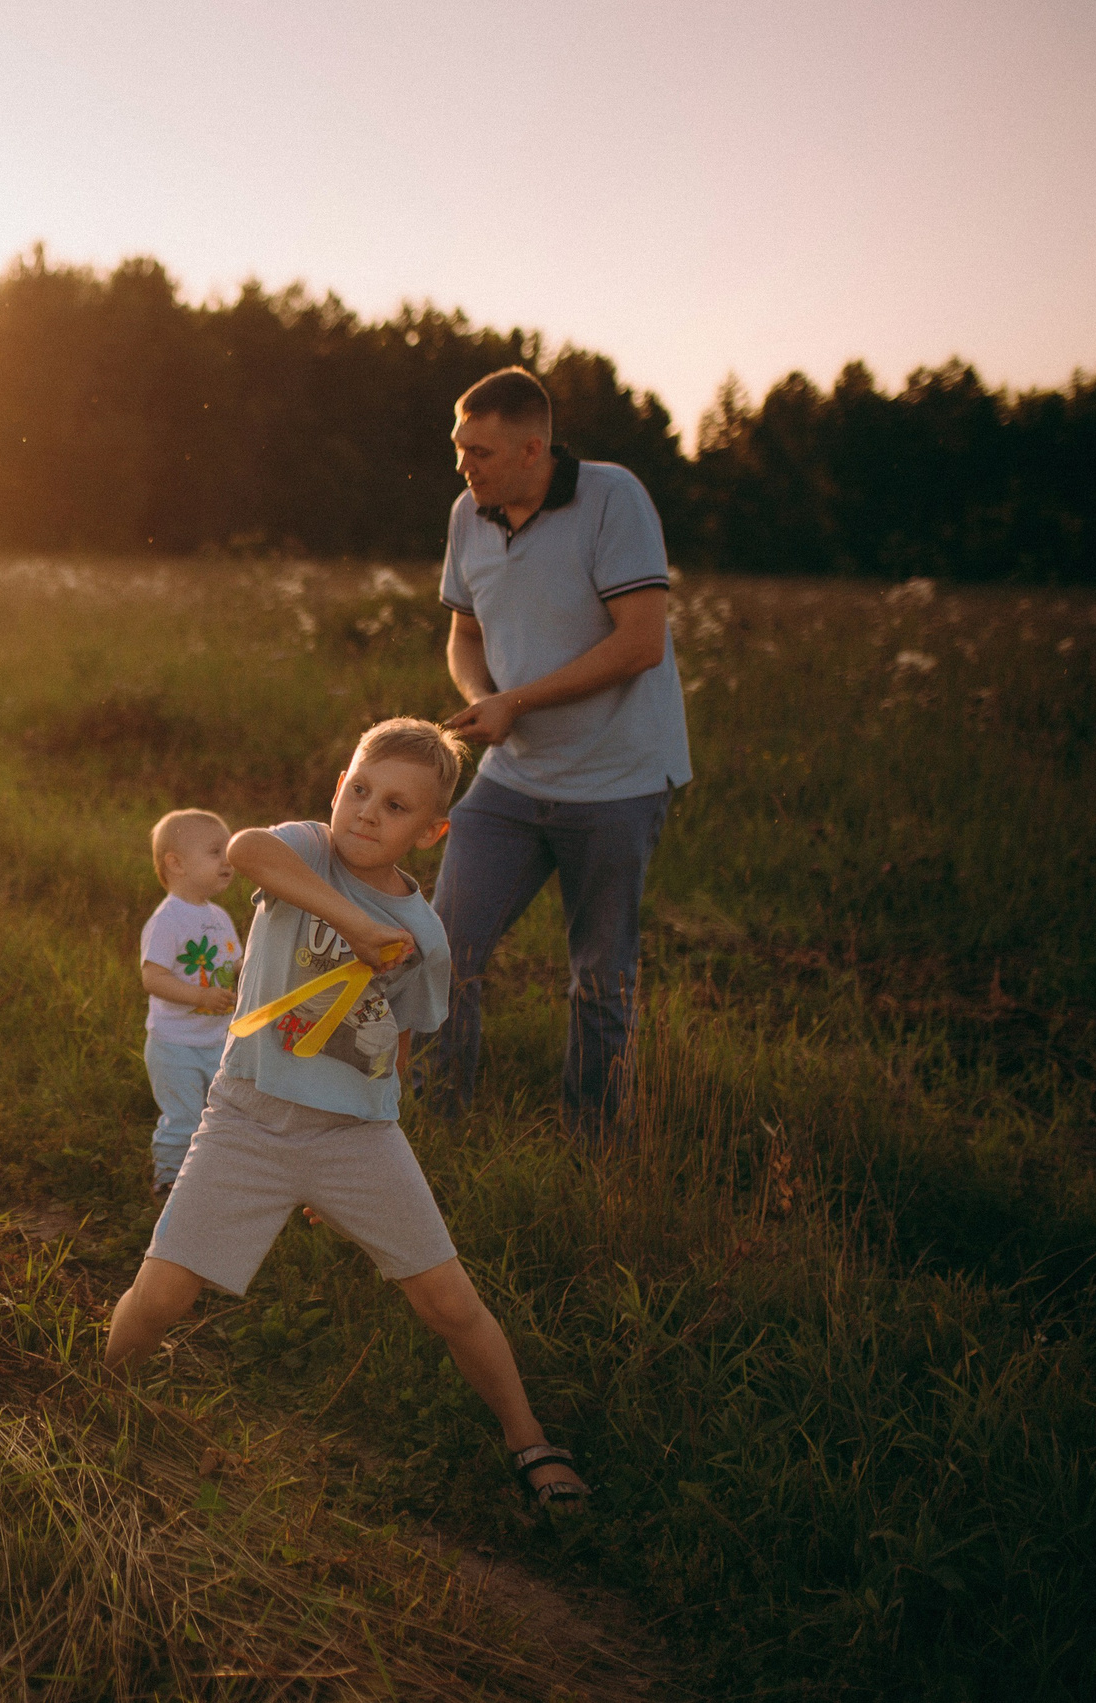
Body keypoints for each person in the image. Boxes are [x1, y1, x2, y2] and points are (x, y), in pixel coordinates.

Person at [105, 719, 590, 1516]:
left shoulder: (425, 935)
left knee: (449, 1301)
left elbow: (394, 1042)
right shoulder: (304, 849)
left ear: (430, 832)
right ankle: (97, 1395)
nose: (367, 812)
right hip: (246, 1119)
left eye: (395, 806)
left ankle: (531, 1437)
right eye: (358, 790)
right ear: (337, 788)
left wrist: (347, 1172)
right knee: (160, 1294)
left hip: (356, 1136)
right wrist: (358, 924)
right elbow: (248, 850)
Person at [430, 366, 689, 1138]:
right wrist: (482, 695)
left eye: (477, 450)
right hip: (512, 779)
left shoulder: (614, 499)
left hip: (618, 779)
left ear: (531, 448)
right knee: (443, 952)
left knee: (599, 980)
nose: (461, 465)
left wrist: (517, 702)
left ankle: (595, 1149)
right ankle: (437, 1131)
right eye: (457, 447)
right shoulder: (468, 514)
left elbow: (641, 644)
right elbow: (464, 632)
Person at [139, 810, 243, 1198]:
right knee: (183, 1117)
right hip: (175, 1045)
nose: (227, 861)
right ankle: (167, 1182)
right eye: (216, 852)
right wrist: (200, 996)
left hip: (216, 1040)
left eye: (228, 851)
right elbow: (152, 977)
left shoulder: (218, 916)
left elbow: (234, 963)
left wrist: (251, 970)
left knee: (219, 1115)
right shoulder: (168, 919)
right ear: (176, 864)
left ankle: (207, 1178)